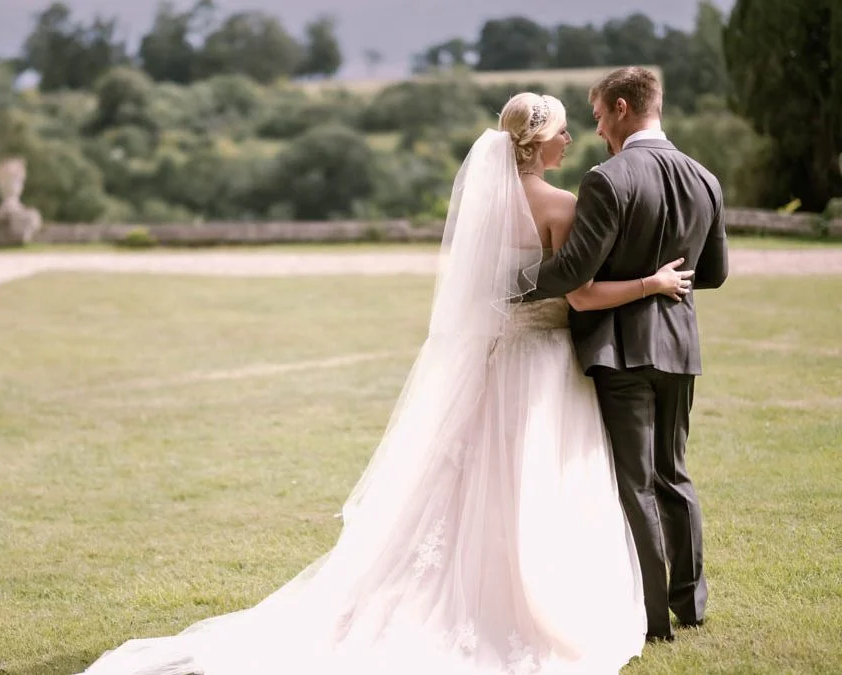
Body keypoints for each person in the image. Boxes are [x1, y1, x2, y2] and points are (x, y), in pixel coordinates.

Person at [77, 90, 696, 675]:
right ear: (542, 142)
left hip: (492, 361)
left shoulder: (485, 206)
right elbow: (582, 297)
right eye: (563, 130)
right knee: (538, 474)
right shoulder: (562, 206)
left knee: (472, 479)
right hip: (543, 366)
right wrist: (652, 283)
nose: (570, 140)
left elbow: (486, 291)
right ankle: (538, 596)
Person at [526, 66, 729, 642]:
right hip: (681, 349)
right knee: (675, 474)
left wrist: (506, 285)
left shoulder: (607, 180)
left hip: (622, 352)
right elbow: (712, 274)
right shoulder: (705, 178)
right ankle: (690, 604)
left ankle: (652, 618)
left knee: (635, 482)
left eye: (596, 116)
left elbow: (571, 271)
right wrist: (662, 278)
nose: (595, 131)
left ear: (619, 107)